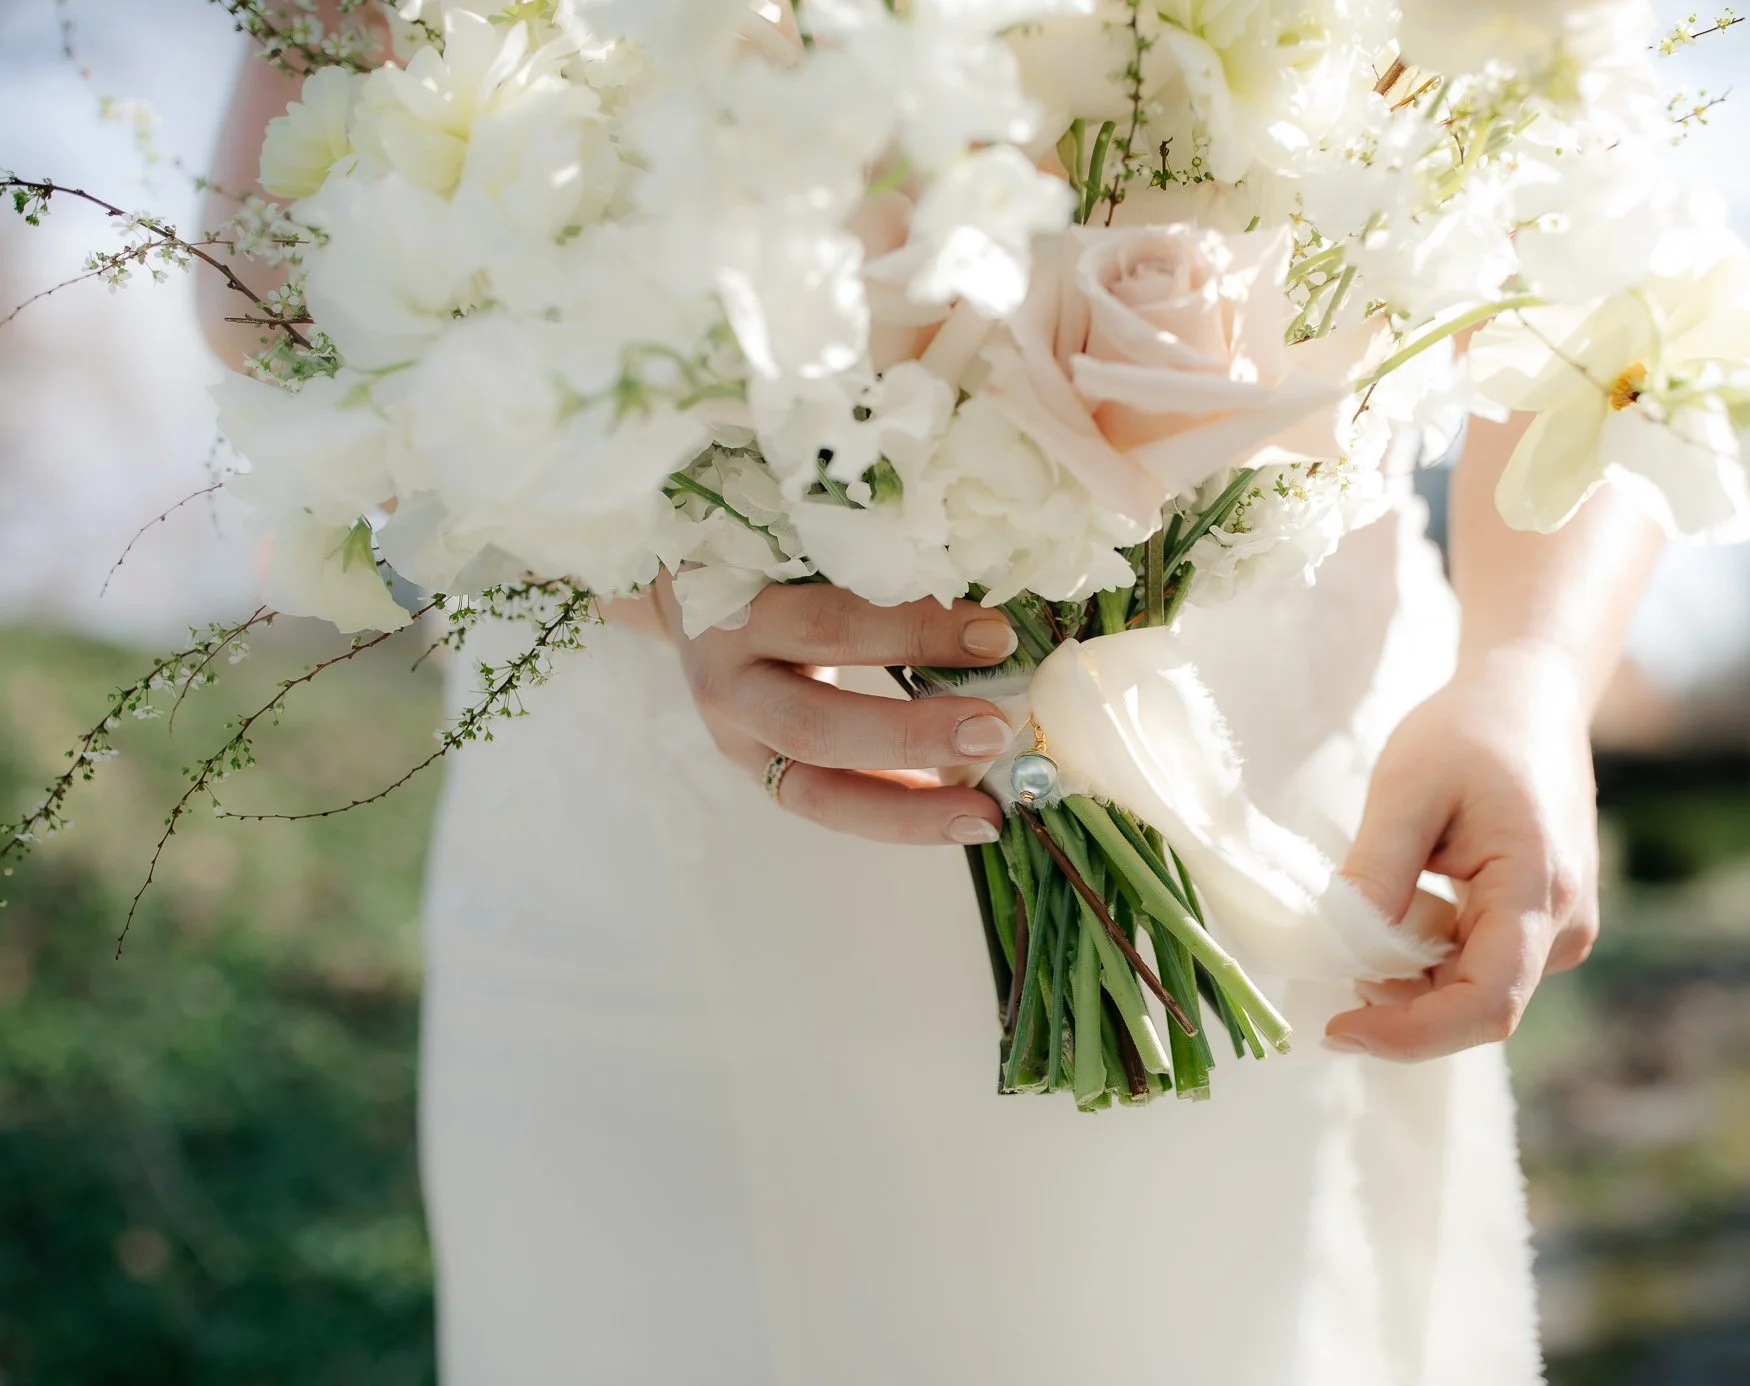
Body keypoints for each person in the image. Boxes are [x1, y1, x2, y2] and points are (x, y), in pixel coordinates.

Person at [206, 27, 1661, 1386]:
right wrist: (667, 556)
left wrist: (1528, 666)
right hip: (665, 845)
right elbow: (284, 268)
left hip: (1265, 798)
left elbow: (1612, 232)